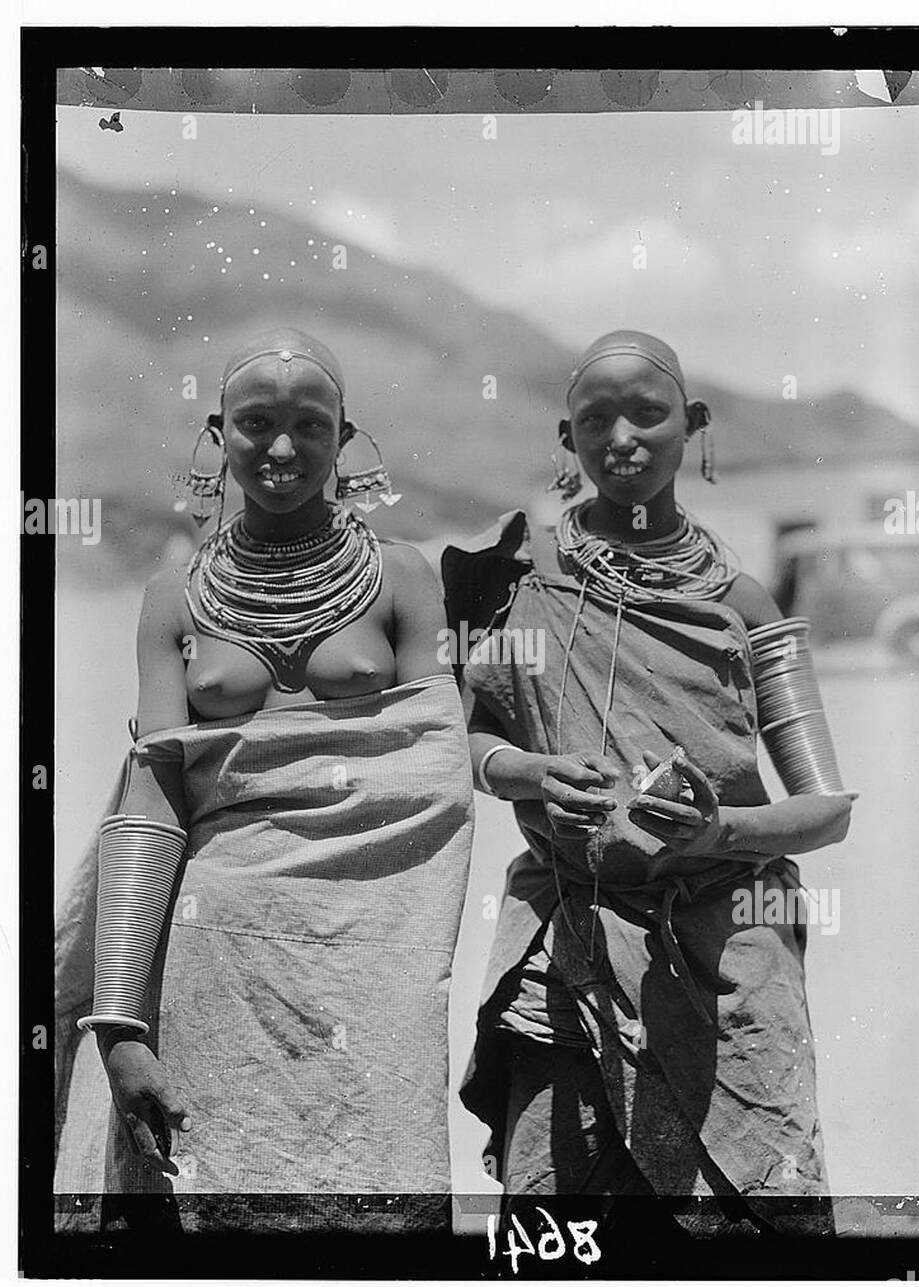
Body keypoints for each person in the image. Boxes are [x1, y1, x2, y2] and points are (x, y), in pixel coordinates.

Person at [55, 328, 474, 1232]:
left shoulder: (404, 577)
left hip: (377, 949)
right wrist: (120, 1023)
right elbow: (155, 790)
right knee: (208, 1192)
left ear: (344, 435)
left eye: (308, 426)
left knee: (374, 1193)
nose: (281, 449)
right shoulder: (175, 594)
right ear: (218, 432)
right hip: (214, 943)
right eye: (255, 423)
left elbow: (436, 775)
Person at [443, 330, 856, 1236]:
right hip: (568, 928)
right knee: (556, 1213)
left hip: (724, 950)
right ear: (568, 439)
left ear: (693, 427)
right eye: (595, 420)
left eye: (648, 414)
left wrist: (717, 837)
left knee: (745, 1212)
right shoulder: (517, 579)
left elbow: (825, 812)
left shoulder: (746, 605)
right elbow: (466, 739)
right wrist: (532, 772)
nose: (621, 436)